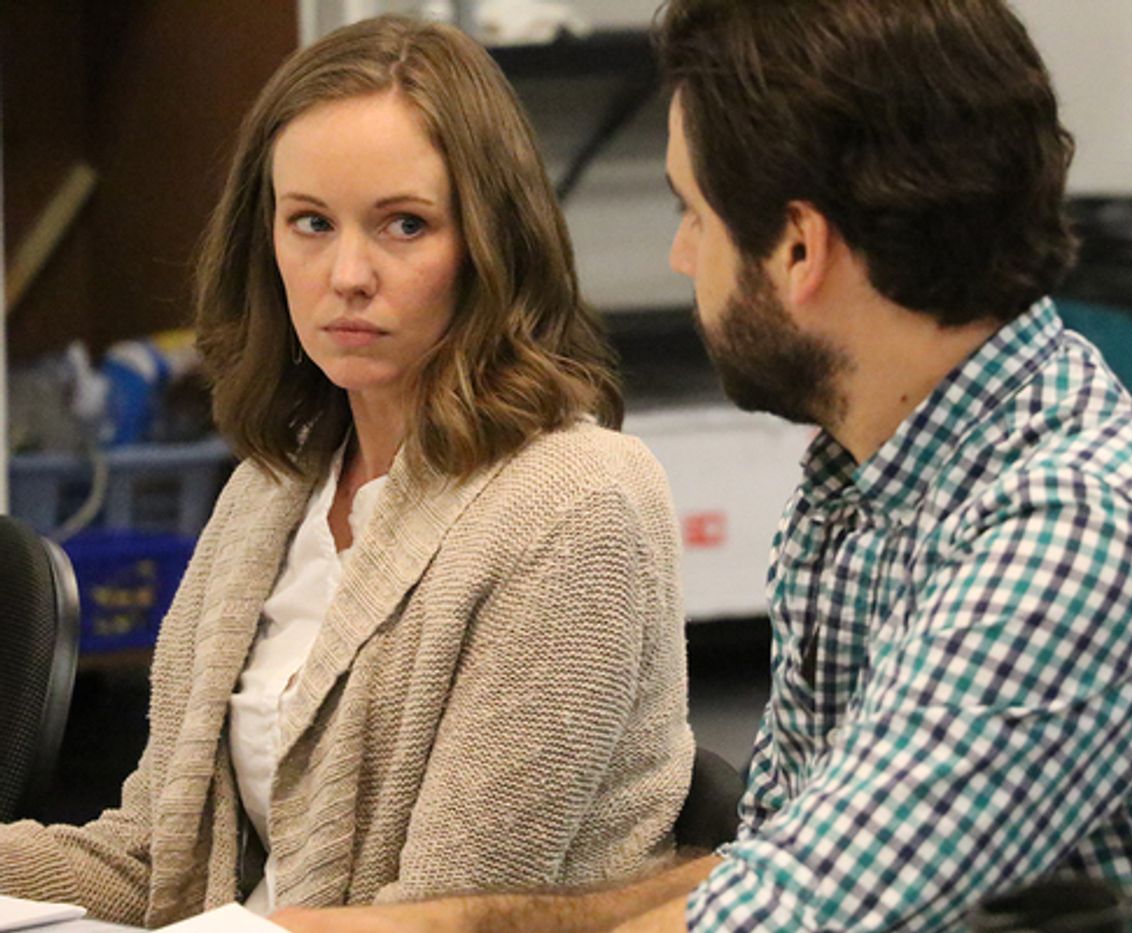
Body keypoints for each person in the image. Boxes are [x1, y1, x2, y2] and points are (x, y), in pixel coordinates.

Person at [274, 1, 1132, 929]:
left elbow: (777, 922)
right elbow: (779, 865)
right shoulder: (870, 474)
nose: (678, 255)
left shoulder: (1079, 523)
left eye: (690, 213)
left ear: (797, 250)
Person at [0, 15, 693, 926]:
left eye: (404, 224)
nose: (348, 273)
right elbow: (155, 861)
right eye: (311, 224)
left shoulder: (576, 504)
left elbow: (446, 913)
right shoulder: (273, 489)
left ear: (490, 243)